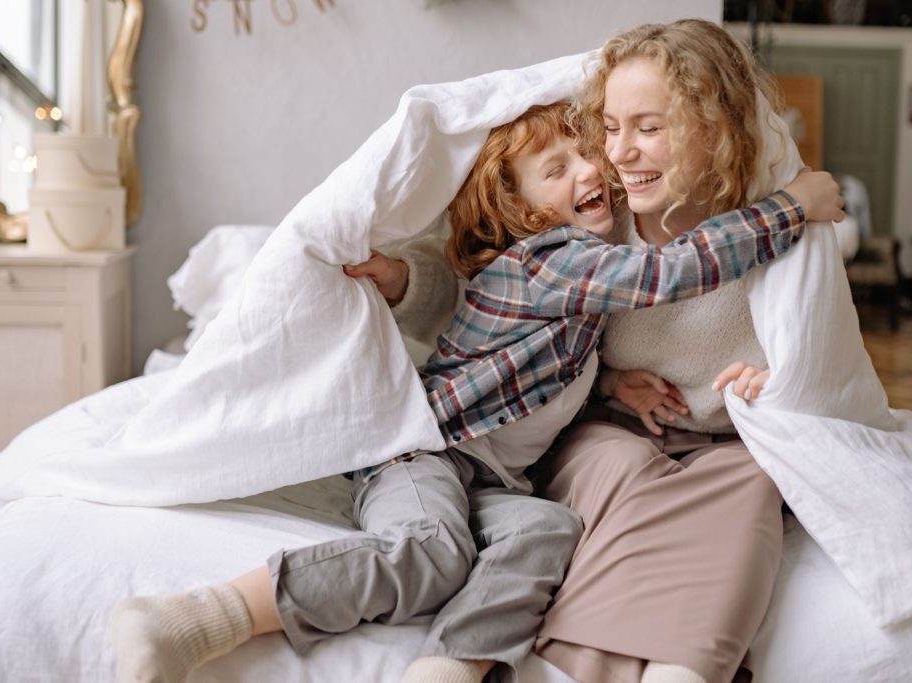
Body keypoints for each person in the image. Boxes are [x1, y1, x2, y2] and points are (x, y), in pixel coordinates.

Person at [109, 99, 841, 683]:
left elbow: (526, 370)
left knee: (548, 531)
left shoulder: (579, 293)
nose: (589, 169)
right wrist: (789, 207)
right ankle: (193, 619)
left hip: (488, 475)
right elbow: (666, 272)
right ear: (524, 213)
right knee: (431, 550)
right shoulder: (554, 260)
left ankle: (447, 667)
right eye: (557, 168)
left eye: (588, 152)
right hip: (421, 458)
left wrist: (613, 383)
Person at [364, 19, 847, 683]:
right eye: (610, 128)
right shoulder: (594, 214)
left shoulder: (763, 219)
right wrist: (402, 281)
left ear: (716, 125)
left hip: (729, 437)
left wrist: (781, 378)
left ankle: (684, 662)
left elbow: (821, 353)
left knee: (748, 485)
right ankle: (583, 657)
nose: (617, 153)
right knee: (613, 464)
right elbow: (488, 293)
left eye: (648, 128)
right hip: (613, 431)